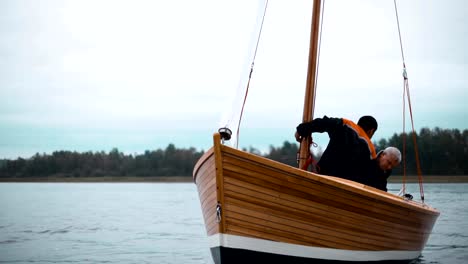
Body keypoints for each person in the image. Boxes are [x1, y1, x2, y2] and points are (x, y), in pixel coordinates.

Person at [295, 115, 378, 182]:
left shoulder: (344, 124)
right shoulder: (371, 151)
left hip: (323, 177)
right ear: (371, 131)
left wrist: (301, 129)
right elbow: (372, 176)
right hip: (347, 189)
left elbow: (324, 122)